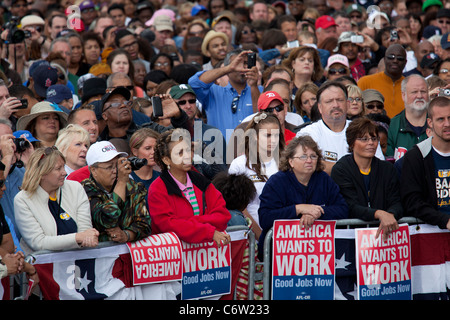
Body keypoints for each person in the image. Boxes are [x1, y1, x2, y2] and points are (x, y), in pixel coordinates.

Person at [258, 135, 348, 260]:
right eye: (303, 156)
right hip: (281, 255)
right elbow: (265, 217)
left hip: (317, 253)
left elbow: (342, 209)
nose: (309, 160)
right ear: (291, 161)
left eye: (313, 156)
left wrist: (316, 213)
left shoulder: (324, 179)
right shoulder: (277, 182)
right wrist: (298, 209)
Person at [148, 128, 231, 246]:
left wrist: (189, 223)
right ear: (166, 160)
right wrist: (208, 231)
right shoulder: (157, 188)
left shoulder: (201, 181)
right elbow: (168, 226)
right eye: (180, 152)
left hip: (203, 255)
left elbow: (223, 215)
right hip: (174, 257)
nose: (187, 156)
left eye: (188, 150)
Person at [14, 146, 99, 254]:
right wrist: (77, 238)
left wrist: (85, 237)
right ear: (42, 173)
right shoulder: (23, 200)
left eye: (64, 167)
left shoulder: (75, 188)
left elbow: (85, 231)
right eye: (58, 168)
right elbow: (38, 242)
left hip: (75, 263)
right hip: (42, 267)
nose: (64, 172)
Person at [331, 118, 403, 240]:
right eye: (364, 139)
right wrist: (379, 214)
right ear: (352, 142)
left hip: (385, 235)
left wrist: (390, 215)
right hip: (351, 237)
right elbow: (350, 206)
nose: (371, 143)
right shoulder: (341, 169)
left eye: (374, 139)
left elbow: (397, 201)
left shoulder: (387, 169)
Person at [296, 81, 385, 174]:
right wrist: (357, 167)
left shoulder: (363, 130)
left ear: (347, 104)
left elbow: (378, 166)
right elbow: (305, 165)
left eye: (340, 100)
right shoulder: (307, 133)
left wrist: (326, 166)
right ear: (320, 107)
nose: (335, 105)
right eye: (329, 101)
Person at [81, 140, 151, 243]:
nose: (115, 171)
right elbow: (108, 219)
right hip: (100, 256)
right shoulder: (84, 189)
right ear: (93, 170)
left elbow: (145, 225)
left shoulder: (131, 185)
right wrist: (121, 182)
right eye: (109, 167)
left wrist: (126, 235)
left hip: (129, 256)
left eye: (116, 165)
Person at [229, 112, 285, 237]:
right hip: (250, 234)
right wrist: (260, 235)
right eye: (268, 135)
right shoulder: (239, 164)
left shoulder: (287, 163)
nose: (274, 140)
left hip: (282, 234)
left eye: (276, 135)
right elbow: (238, 207)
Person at [400, 96, 450, 230]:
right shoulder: (416, 156)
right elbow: (412, 201)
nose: (447, 124)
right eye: (441, 119)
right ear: (430, 122)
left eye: (449, 118)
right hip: (429, 232)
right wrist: (444, 220)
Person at [188, 49, 262, 138]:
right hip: (219, 149)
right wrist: (229, 68)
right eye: (237, 63)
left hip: (251, 150)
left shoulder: (260, 90)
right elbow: (194, 83)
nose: (242, 67)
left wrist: (253, 86)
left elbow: (262, 117)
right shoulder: (213, 92)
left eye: (246, 63)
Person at [386, 74, 430, 161]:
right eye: (414, 92)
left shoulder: (438, 122)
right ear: (403, 95)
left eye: (423, 91)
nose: (419, 96)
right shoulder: (392, 125)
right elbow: (388, 162)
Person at [358, 44, 407, 119]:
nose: (395, 61)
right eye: (391, 57)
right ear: (384, 60)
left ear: (405, 62)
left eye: (400, 58)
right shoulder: (365, 82)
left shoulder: (410, 85)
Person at [129, 127, 160, 193]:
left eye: (156, 148)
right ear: (135, 151)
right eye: (148, 148)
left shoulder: (162, 178)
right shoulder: (128, 179)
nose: (153, 152)